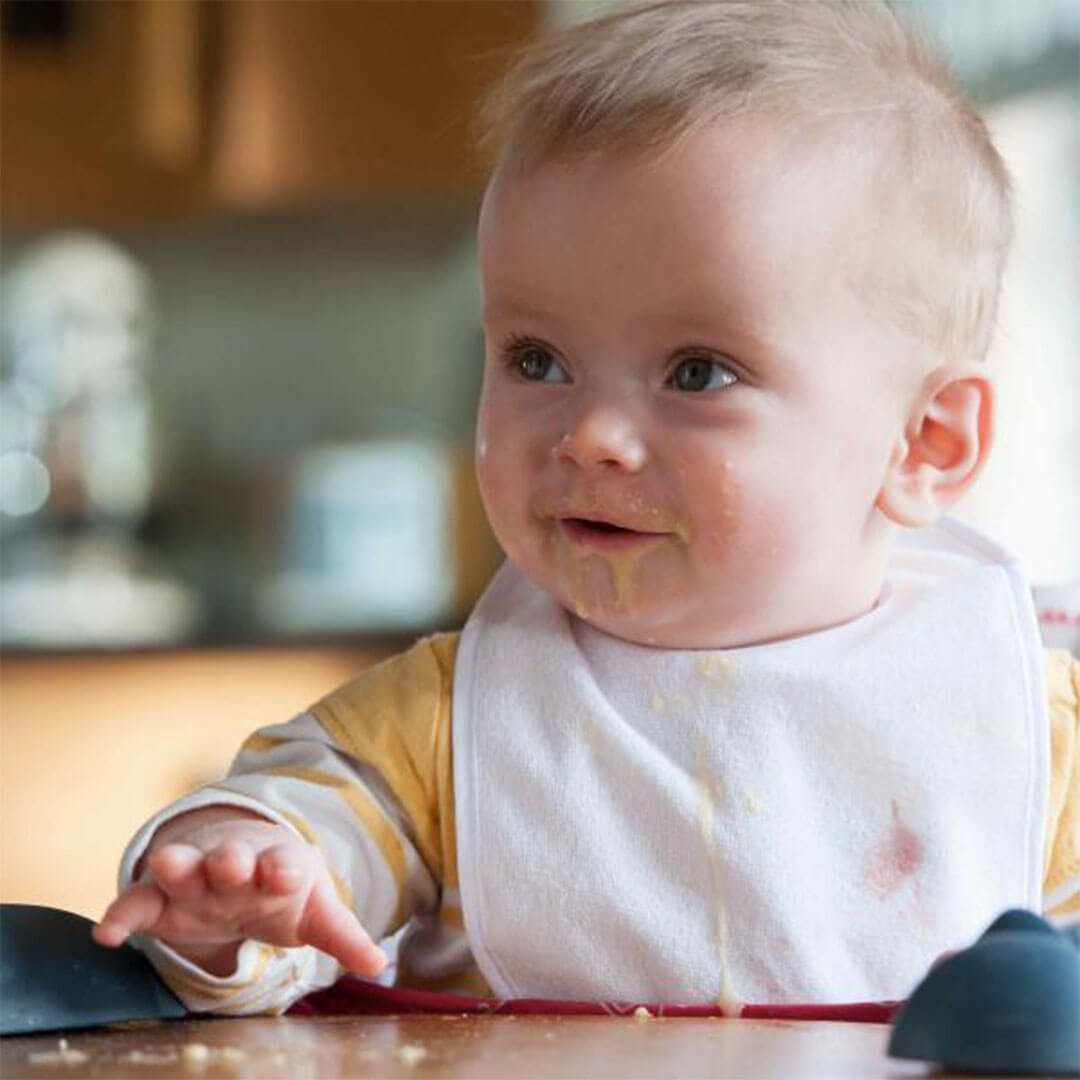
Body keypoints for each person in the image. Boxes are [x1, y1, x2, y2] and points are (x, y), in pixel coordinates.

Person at [94, 0, 1079, 1014]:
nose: (590, 434)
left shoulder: (1030, 730)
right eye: (537, 360)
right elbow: (307, 831)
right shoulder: (446, 722)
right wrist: (241, 874)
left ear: (925, 444)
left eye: (698, 372)